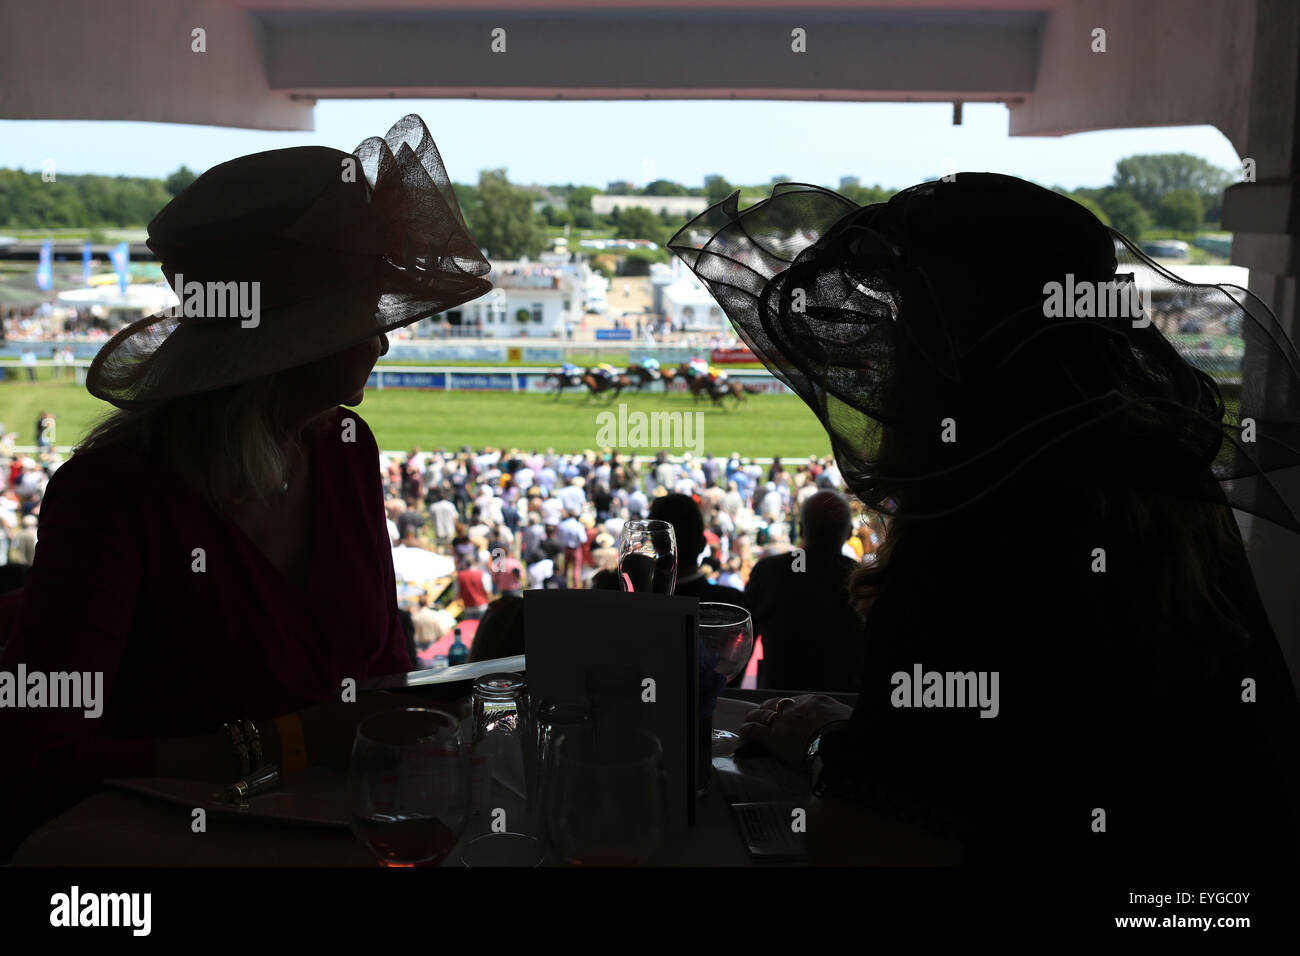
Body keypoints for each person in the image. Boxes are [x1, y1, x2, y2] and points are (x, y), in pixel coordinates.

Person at [669, 172, 1300, 866]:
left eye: (905, 329)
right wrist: (863, 740)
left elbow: (878, 844)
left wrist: (824, 750)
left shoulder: (977, 541)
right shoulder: (1165, 508)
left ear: (950, 357)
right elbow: (1029, 766)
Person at [0, 115, 493, 860]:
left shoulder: (345, 451)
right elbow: (36, 756)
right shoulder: (112, 497)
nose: (383, 338)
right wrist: (288, 743)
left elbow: (383, 669)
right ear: (286, 340)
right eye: (361, 311)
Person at [744, 491, 864, 692]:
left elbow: (742, 640)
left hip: (777, 702)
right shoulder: (862, 579)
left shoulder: (769, 571)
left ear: (800, 530)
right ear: (850, 532)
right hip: (843, 704)